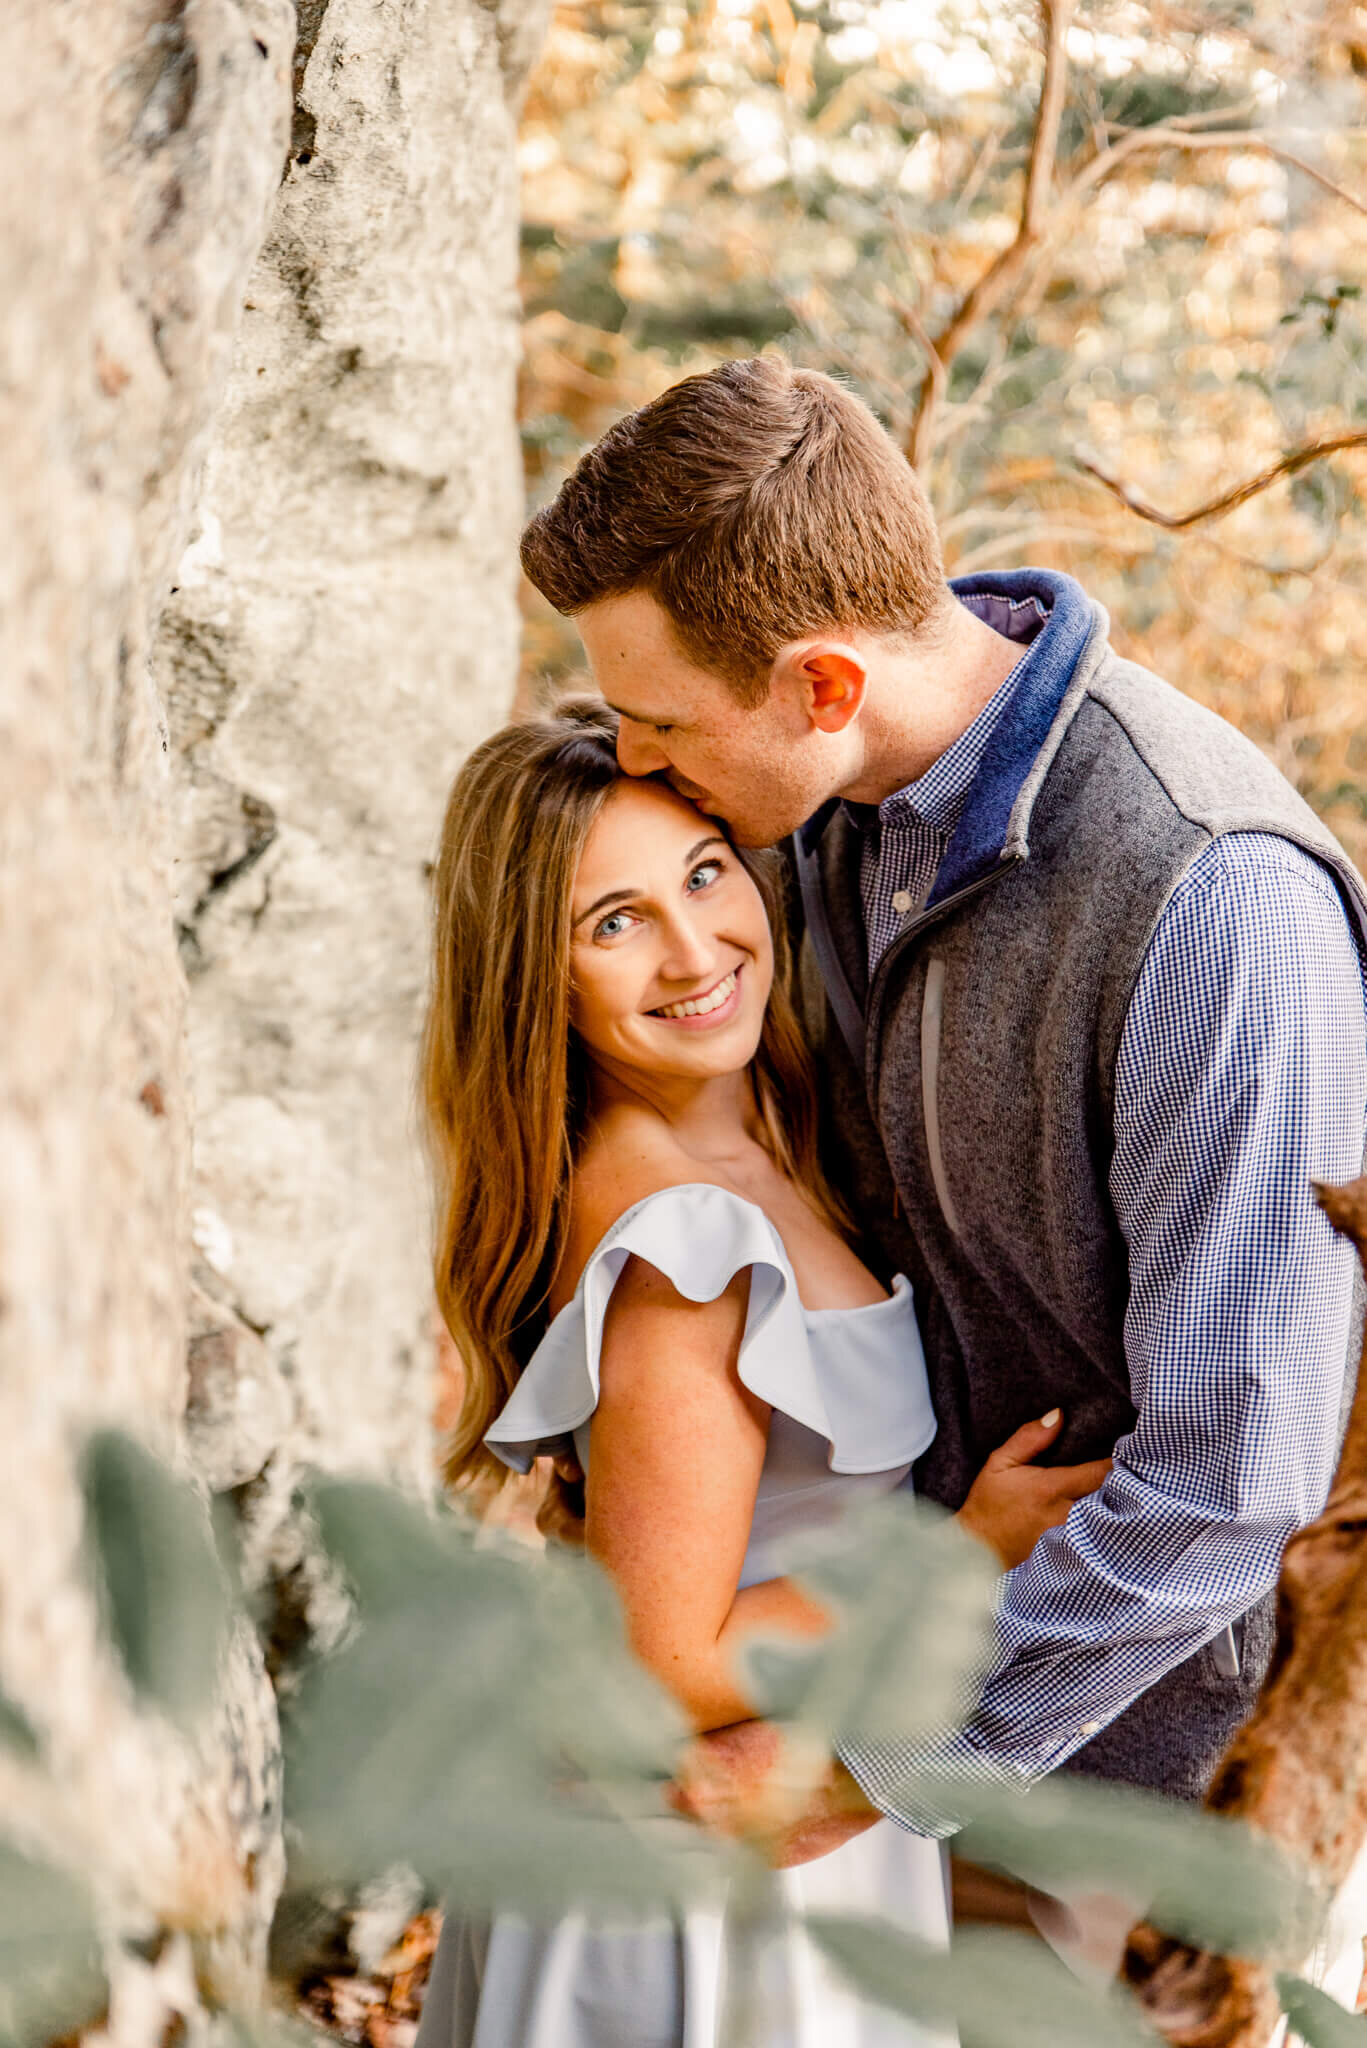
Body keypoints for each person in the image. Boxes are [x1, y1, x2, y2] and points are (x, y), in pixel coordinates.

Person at [516, 354, 1367, 1865]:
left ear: (824, 684)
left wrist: (867, 1766)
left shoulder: (1211, 899)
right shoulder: (823, 812)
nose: (637, 761)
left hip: (1159, 1804)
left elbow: (1236, 1475)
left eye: (663, 723)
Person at [414, 699, 1109, 2048]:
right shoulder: (686, 1247)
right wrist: (957, 1558)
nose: (694, 950)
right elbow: (668, 1656)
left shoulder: (759, 1150)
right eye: (611, 922)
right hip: (710, 1875)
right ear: (536, 977)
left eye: (701, 873)